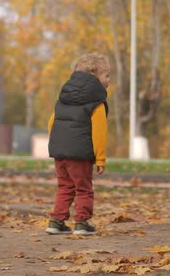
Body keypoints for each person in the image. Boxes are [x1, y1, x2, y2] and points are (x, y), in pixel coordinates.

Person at [46, 52, 110, 236]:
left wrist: (59, 144)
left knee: (65, 186)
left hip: (60, 152)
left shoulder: (64, 98)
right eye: (106, 76)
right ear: (94, 77)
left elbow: (52, 123)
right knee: (83, 188)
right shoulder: (96, 102)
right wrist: (101, 159)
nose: (109, 81)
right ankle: (82, 222)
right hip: (80, 154)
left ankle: (56, 221)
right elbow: (99, 132)